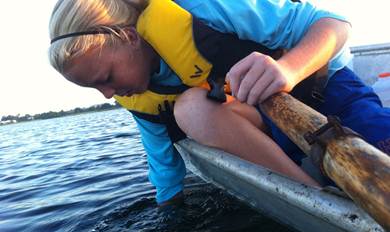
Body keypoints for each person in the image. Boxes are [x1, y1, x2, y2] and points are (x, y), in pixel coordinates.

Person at [49, 0, 390, 205]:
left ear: (129, 36)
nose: (109, 95)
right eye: (96, 89)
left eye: (106, 78)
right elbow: (165, 174)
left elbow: (332, 23)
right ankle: (318, 197)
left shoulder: (202, 8)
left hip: (327, 97)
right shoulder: (140, 99)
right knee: (189, 108)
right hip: (267, 129)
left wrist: (288, 69)